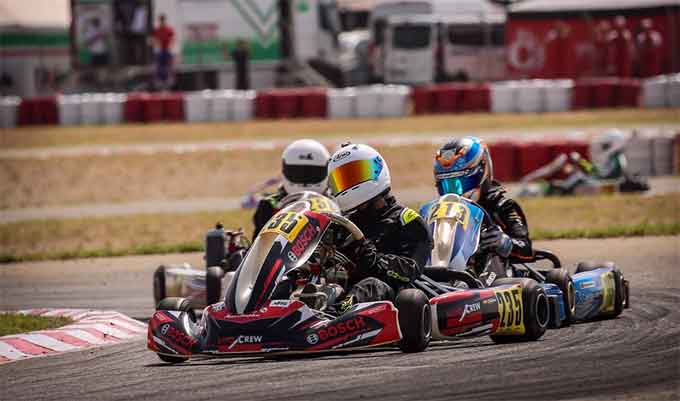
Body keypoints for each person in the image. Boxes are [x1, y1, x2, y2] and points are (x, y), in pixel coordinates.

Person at [327, 143, 431, 310]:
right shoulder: (342, 225)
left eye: (355, 175)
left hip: (393, 294)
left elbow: (411, 270)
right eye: (343, 179)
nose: (349, 184)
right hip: (345, 288)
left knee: (371, 285)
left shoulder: (406, 220)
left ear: (377, 171)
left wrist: (373, 258)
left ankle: (336, 312)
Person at [419, 137, 533, 280]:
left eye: (460, 184)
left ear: (481, 172)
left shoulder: (502, 206)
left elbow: (526, 249)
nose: (455, 192)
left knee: (490, 254)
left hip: (493, 275)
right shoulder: (439, 211)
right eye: (448, 185)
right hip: (447, 268)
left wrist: (504, 242)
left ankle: (471, 286)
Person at [252, 139, 331, 239]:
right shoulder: (269, 206)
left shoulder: (336, 203)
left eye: (311, 172)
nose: (304, 177)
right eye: (297, 172)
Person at [152, 14, 175, 89]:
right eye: (161, 20)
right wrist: (156, 45)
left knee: (168, 66)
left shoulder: (168, 29)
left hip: (167, 50)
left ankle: (169, 81)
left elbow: (173, 38)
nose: (162, 22)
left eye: (163, 20)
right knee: (159, 67)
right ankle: (159, 82)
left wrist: (171, 47)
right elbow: (154, 39)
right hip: (160, 50)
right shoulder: (157, 30)